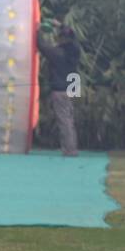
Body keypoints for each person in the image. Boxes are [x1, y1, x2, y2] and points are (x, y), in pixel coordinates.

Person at [38, 21, 81, 157]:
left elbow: (42, 46)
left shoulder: (58, 54)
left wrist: (37, 31)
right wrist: (60, 25)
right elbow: (73, 36)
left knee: (64, 120)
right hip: (72, 86)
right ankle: (71, 147)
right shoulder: (75, 50)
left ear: (62, 38)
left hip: (61, 89)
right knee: (69, 118)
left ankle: (69, 150)